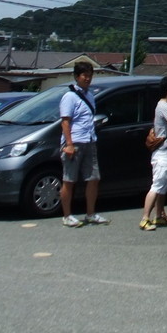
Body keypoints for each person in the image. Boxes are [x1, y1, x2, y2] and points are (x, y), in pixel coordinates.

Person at [58, 61, 108, 227]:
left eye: (90, 75)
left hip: (90, 140)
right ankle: (67, 215)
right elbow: (65, 122)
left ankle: (90, 214)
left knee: (93, 178)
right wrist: (69, 144)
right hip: (75, 142)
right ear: (76, 76)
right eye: (84, 75)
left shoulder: (90, 96)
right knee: (69, 180)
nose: (88, 79)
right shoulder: (69, 97)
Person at [140, 76, 167, 230]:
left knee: (163, 187)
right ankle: (145, 218)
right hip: (163, 154)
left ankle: (159, 215)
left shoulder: (160, 106)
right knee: (157, 186)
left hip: (166, 153)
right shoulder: (166, 107)